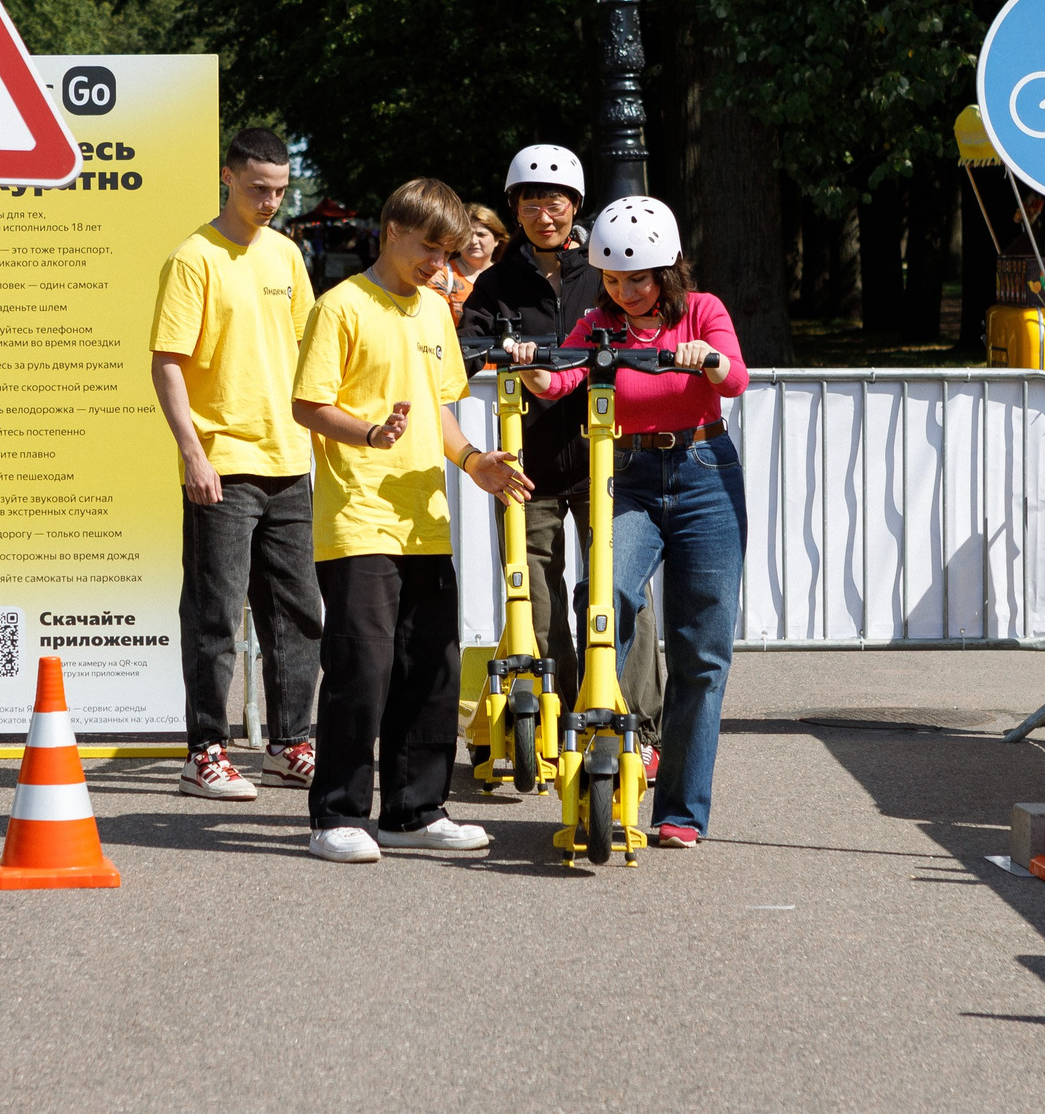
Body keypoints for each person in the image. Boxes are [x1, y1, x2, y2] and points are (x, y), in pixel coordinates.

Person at [291, 177, 530, 862]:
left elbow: (438, 406)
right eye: (430, 248)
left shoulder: (433, 310)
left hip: (425, 517)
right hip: (358, 519)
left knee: (431, 669)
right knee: (361, 669)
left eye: (450, 251)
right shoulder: (340, 306)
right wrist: (368, 433)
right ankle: (336, 814)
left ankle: (414, 809)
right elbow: (309, 405)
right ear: (392, 231)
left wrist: (475, 460)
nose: (440, 264)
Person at [514, 197, 747, 848]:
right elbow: (561, 379)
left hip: (705, 472)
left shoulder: (702, 310)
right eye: (613, 280)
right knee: (603, 596)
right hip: (632, 474)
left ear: (668, 269)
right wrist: (533, 362)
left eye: (637, 279)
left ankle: (680, 810)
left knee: (701, 650)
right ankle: (613, 738)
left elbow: (736, 378)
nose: (625, 292)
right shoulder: (599, 324)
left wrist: (706, 358)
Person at [455, 145, 664, 767]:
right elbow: (465, 346)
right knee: (536, 599)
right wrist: (502, 347)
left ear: (576, 206)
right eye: (529, 201)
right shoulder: (497, 282)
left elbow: (652, 325)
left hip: (609, 460)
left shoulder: (606, 270)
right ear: (513, 208)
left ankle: (642, 732)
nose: (544, 213)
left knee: (615, 595)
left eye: (556, 201)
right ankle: (564, 720)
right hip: (530, 462)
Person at [151, 128, 322, 800]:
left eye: (280, 190)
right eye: (258, 189)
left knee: (298, 612)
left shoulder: (287, 254)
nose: (271, 201)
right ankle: (205, 750)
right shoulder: (194, 257)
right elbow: (166, 361)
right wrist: (192, 449)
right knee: (217, 614)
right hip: (222, 461)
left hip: (289, 458)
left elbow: (310, 350)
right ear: (228, 177)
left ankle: (289, 745)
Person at [428, 204, 505, 320]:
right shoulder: (441, 275)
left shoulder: (506, 277)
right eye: (467, 235)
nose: (473, 241)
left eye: (481, 234)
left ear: (497, 240)